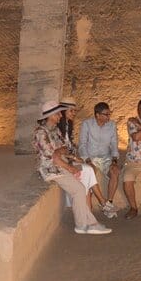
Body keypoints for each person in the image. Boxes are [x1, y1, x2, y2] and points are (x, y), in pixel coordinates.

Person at [33, 100, 112, 235]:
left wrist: (64, 155)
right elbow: (53, 157)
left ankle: (90, 222)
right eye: (58, 114)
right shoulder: (41, 133)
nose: (60, 116)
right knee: (78, 189)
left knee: (86, 172)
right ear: (50, 116)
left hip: (62, 164)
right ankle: (82, 225)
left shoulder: (55, 129)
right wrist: (69, 167)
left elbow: (64, 148)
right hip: (51, 169)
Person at [78, 102, 120, 218]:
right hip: (90, 157)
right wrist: (87, 160)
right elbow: (82, 144)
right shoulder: (87, 124)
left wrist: (114, 160)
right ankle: (91, 206)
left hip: (105, 157)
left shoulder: (111, 125)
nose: (108, 117)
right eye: (106, 114)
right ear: (97, 115)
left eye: (109, 114)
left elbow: (114, 144)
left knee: (115, 171)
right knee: (90, 171)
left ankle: (108, 204)